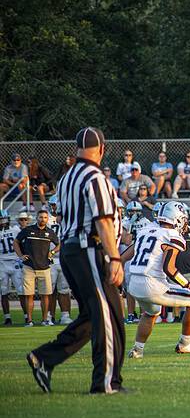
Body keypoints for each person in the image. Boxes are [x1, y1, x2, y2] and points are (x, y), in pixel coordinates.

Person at [27, 127, 125, 394]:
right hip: (89, 249)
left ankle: (44, 358)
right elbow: (103, 221)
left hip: (71, 251)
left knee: (92, 316)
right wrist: (114, 258)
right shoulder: (95, 177)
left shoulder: (68, 177)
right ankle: (106, 383)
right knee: (108, 315)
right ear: (102, 149)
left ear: (76, 149)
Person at [123, 201, 190, 358]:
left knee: (151, 312)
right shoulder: (173, 235)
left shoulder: (146, 230)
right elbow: (169, 269)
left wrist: (115, 265)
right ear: (177, 219)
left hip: (134, 283)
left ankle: (137, 350)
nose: (184, 223)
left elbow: (127, 254)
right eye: (183, 219)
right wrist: (189, 284)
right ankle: (185, 344)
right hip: (152, 284)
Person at [13, 210, 60, 326]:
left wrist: (52, 252)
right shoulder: (28, 230)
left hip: (45, 268)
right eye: (40, 217)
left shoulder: (50, 232)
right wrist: (20, 256)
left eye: (44, 217)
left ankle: (45, 320)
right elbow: (16, 242)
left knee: (45, 295)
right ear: (36, 218)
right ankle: (29, 321)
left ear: (47, 219)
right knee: (29, 295)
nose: (42, 219)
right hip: (29, 267)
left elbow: (59, 244)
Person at [46, 196, 72, 325]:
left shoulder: (68, 218)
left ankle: (65, 315)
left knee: (64, 289)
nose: (55, 208)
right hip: (49, 259)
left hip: (64, 258)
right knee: (49, 290)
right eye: (53, 205)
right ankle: (49, 316)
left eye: (56, 205)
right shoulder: (45, 219)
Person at [0, 210, 20, 325]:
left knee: (22, 291)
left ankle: (27, 316)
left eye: (4, 220)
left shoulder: (16, 230)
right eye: (1, 220)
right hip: (2, 262)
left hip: (15, 261)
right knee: (4, 292)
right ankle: (7, 317)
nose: (3, 223)